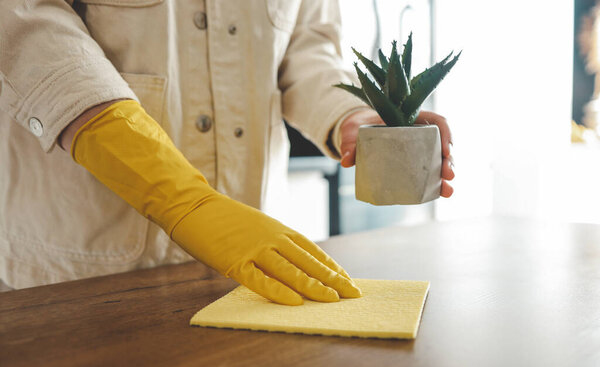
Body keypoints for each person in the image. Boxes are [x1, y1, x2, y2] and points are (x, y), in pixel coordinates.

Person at [0, 0, 454, 303]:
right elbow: (31, 31)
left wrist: (350, 117)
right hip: (81, 270)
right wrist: (182, 198)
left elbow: (309, 51)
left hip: (253, 266)